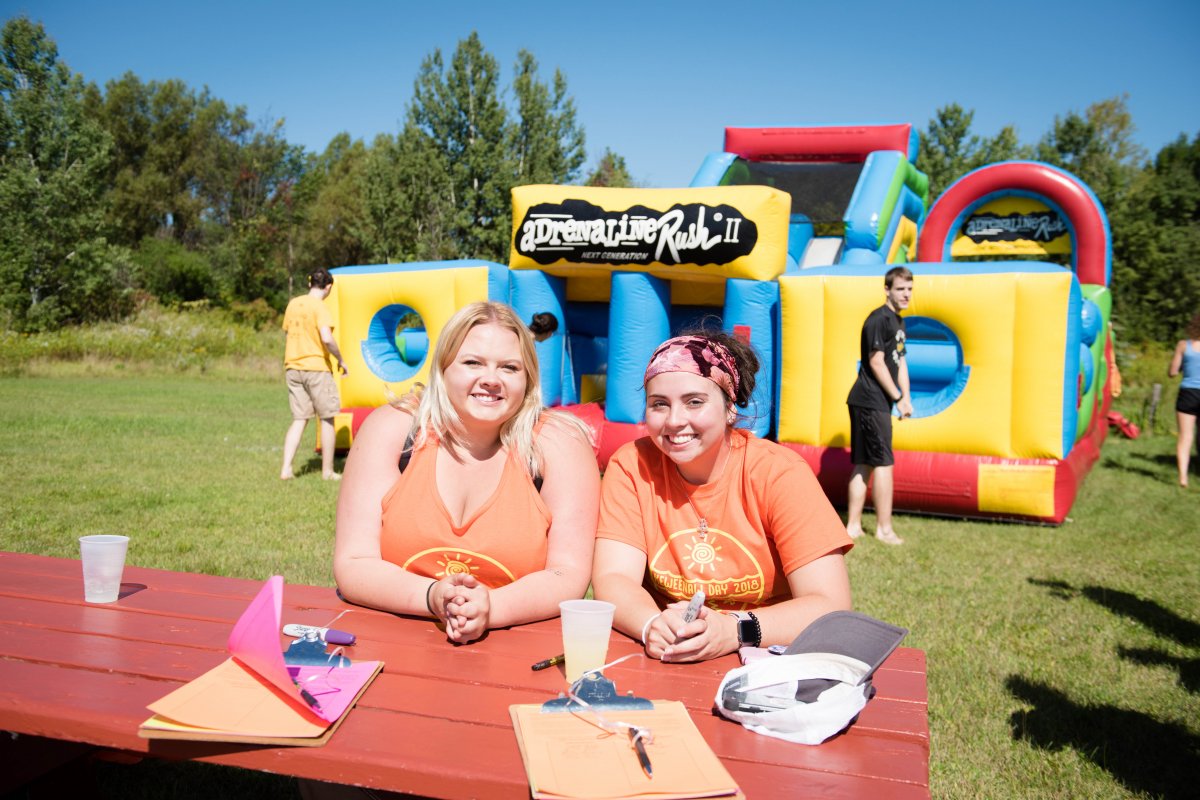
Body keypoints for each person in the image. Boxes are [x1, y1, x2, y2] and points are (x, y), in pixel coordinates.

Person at [333, 301, 600, 644]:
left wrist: (492, 607)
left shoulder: (559, 444)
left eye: (509, 367)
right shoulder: (394, 430)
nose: (490, 380)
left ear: (528, 378)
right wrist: (432, 597)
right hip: (389, 643)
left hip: (516, 651)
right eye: (472, 362)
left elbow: (568, 574)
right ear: (443, 368)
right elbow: (354, 562)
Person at [591, 331, 853, 663]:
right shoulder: (632, 465)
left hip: (768, 662)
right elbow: (614, 578)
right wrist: (653, 624)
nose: (674, 421)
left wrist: (733, 630)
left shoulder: (779, 473)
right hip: (670, 659)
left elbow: (831, 604)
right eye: (659, 404)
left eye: (694, 402)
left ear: (730, 408)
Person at [845, 266, 913, 545]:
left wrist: (905, 397)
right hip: (869, 400)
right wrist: (896, 398)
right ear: (887, 290)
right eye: (900, 289)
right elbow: (875, 361)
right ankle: (884, 530)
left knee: (865, 463)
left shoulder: (897, 321)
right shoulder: (878, 319)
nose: (906, 294)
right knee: (883, 463)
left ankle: (853, 527)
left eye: (909, 289)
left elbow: (899, 361)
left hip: (876, 401)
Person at [281, 268, 349, 481]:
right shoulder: (320, 307)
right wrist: (341, 359)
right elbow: (327, 338)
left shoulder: (293, 304)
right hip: (316, 368)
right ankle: (327, 471)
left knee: (300, 419)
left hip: (292, 367)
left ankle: (286, 469)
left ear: (310, 283)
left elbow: (287, 331)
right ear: (328, 286)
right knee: (327, 418)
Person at [1168, 312, 1200, 488]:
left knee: (1185, 436)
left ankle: (1183, 478)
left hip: (1188, 393)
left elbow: (1173, 372)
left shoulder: (1183, 345)